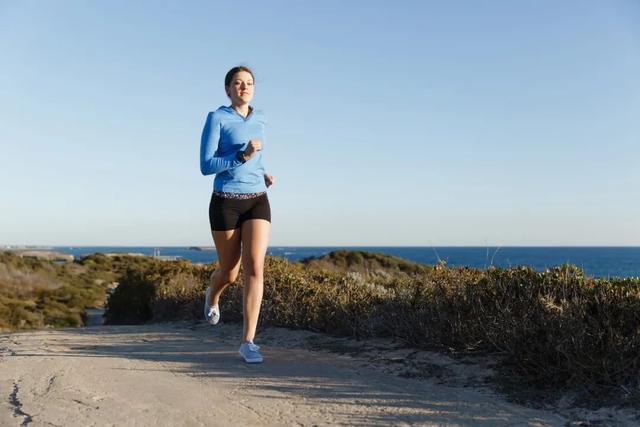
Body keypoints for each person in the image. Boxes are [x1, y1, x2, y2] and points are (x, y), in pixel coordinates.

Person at [199, 65, 275, 363]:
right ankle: (212, 295)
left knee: (255, 267)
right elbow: (206, 165)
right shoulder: (217, 117)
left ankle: (248, 342)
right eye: (238, 83)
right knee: (229, 273)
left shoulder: (262, 118)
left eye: (249, 83)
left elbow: (257, 157)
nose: (244, 87)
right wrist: (240, 157)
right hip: (225, 202)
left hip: (258, 200)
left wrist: (263, 173)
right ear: (228, 89)